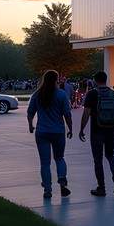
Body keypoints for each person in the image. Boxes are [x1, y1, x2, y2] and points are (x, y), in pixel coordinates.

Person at [26, 69, 73, 199]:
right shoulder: (61, 94)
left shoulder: (37, 94)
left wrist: (30, 125)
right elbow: (67, 114)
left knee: (45, 162)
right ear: (56, 80)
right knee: (59, 158)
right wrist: (70, 129)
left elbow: (30, 112)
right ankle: (62, 181)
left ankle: (47, 190)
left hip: (42, 132)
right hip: (58, 131)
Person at [78, 70, 114, 197]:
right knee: (110, 155)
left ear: (95, 80)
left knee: (98, 159)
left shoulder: (92, 94)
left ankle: (101, 188)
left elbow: (86, 113)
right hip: (111, 128)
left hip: (97, 130)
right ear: (106, 79)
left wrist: (81, 129)